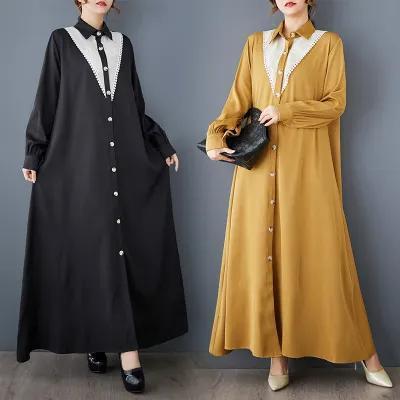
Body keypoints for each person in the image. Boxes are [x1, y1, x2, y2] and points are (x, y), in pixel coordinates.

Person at [205, 0, 392, 391]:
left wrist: (286, 111)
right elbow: (237, 102)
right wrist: (215, 138)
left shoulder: (328, 44)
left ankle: (365, 354)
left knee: (325, 256)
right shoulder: (255, 44)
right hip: (258, 174)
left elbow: (335, 104)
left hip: (307, 169)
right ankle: (277, 360)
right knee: (265, 256)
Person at [18, 0, 188, 394]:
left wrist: (159, 143)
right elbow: (47, 101)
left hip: (123, 166)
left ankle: (127, 352)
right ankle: (97, 339)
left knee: (121, 251)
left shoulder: (123, 45)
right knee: (89, 253)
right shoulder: (61, 42)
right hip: (78, 168)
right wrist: (34, 152)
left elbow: (134, 106)